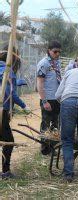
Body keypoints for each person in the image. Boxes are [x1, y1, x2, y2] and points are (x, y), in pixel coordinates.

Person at [0, 46, 29, 179]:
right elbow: (10, 92)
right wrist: (23, 106)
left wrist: (18, 82)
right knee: (8, 141)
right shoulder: (7, 71)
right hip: (1, 112)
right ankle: (5, 172)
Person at [36, 40, 62, 155]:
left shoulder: (57, 63)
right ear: (49, 51)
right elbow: (40, 83)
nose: (57, 54)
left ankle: (53, 148)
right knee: (46, 124)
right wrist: (44, 101)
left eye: (59, 52)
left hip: (57, 99)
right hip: (48, 99)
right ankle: (45, 149)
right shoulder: (43, 63)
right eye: (55, 52)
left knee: (55, 124)